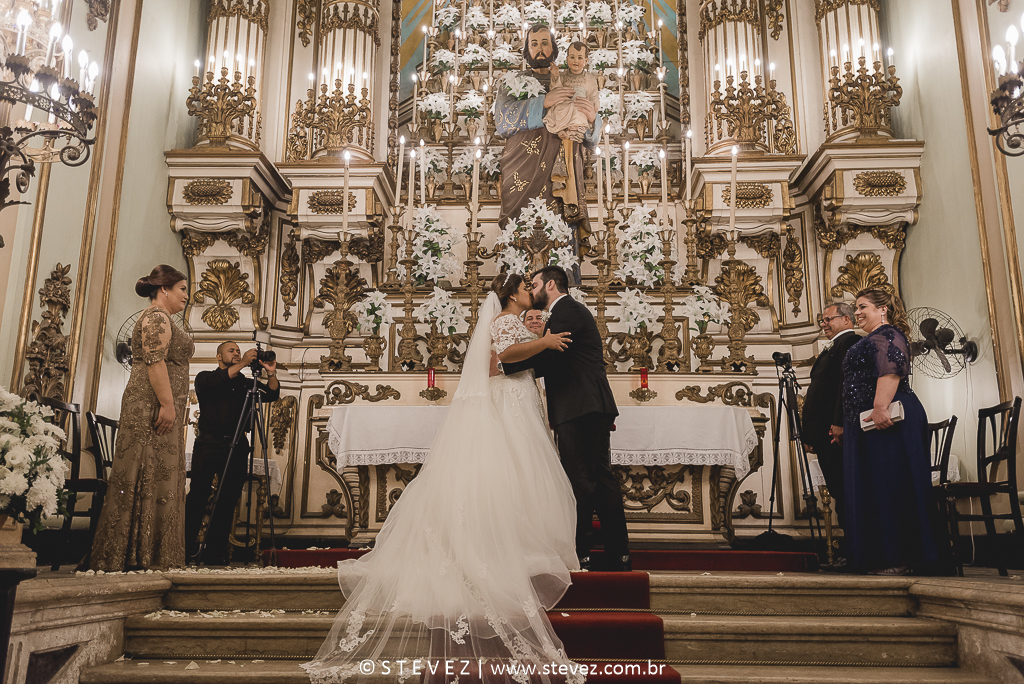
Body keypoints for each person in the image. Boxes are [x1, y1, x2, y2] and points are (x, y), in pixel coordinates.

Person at [304, 274, 584, 683]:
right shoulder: (505, 319)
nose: (531, 290)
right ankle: (511, 545)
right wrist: (539, 342)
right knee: (513, 473)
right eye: (525, 285)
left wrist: (534, 337)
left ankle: (520, 541)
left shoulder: (514, 321)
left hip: (519, 403)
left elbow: (512, 357)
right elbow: (497, 363)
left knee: (521, 475)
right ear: (509, 293)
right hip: (508, 406)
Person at [497, 266, 630, 572]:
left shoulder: (567, 311)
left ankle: (584, 552)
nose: (532, 291)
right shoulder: (563, 313)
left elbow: (549, 356)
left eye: (536, 285)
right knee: (597, 480)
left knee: (583, 481)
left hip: (581, 406)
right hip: (582, 406)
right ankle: (615, 553)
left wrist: (504, 365)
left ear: (551, 285)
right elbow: (550, 360)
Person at [90, 265, 193, 572]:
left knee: (159, 475)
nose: (186, 296)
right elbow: (154, 360)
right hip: (151, 405)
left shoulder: (163, 317)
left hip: (161, 405)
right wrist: (167, 404)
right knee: (145, 472)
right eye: (182, 289)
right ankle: (134, 553)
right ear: (164, 289)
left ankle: (153, 553)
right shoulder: (156, 316)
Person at [495, 25, 602, 284]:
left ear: (554, 47)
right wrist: (544, 102)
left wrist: (592, 118)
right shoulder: (512, 82)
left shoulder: (571, 79)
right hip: (522, 168)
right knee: (520, 227)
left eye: (545, 43)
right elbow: (502, 121)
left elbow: (591, 136)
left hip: (562, 164)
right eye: (534, 44)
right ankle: (517, 289)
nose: (540, 49)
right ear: (527, 49)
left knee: (562, 225)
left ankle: (563, 289)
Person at [842, 288, 938, 575]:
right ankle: (882, 556)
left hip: (888, 421)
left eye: (863, 307)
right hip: (869, 423)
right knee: (875, 485)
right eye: (855, 308)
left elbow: (891, 370)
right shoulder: (870, 338)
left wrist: (881, 406)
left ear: (882, 309)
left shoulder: (888, 334)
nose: (856, 312)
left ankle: (901, 557)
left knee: (891, 485)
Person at [185, 341, 279, 566]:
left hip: (237, 446)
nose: (236, 353)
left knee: (227, 500)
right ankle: (186, 547)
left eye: (238, 351)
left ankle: (214, 552)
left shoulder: (248, 383)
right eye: (232, 350)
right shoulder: (205, 377)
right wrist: (245, 361)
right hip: (208, 444)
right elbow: (219, 381)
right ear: (219, 357)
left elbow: (272, 394)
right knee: (198, 495)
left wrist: (271, 373)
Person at [801, 302, 859, 527]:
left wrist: (839, 423)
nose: (824, 324)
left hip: (835, 433)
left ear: (846, 319)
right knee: (838, 490)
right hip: (824, 434)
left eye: (829, 319)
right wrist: (810, 436)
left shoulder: (850, 342)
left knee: (845, 490)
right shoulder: (834, 345)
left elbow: (845, 386)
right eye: (822, 320)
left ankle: (854, 551)